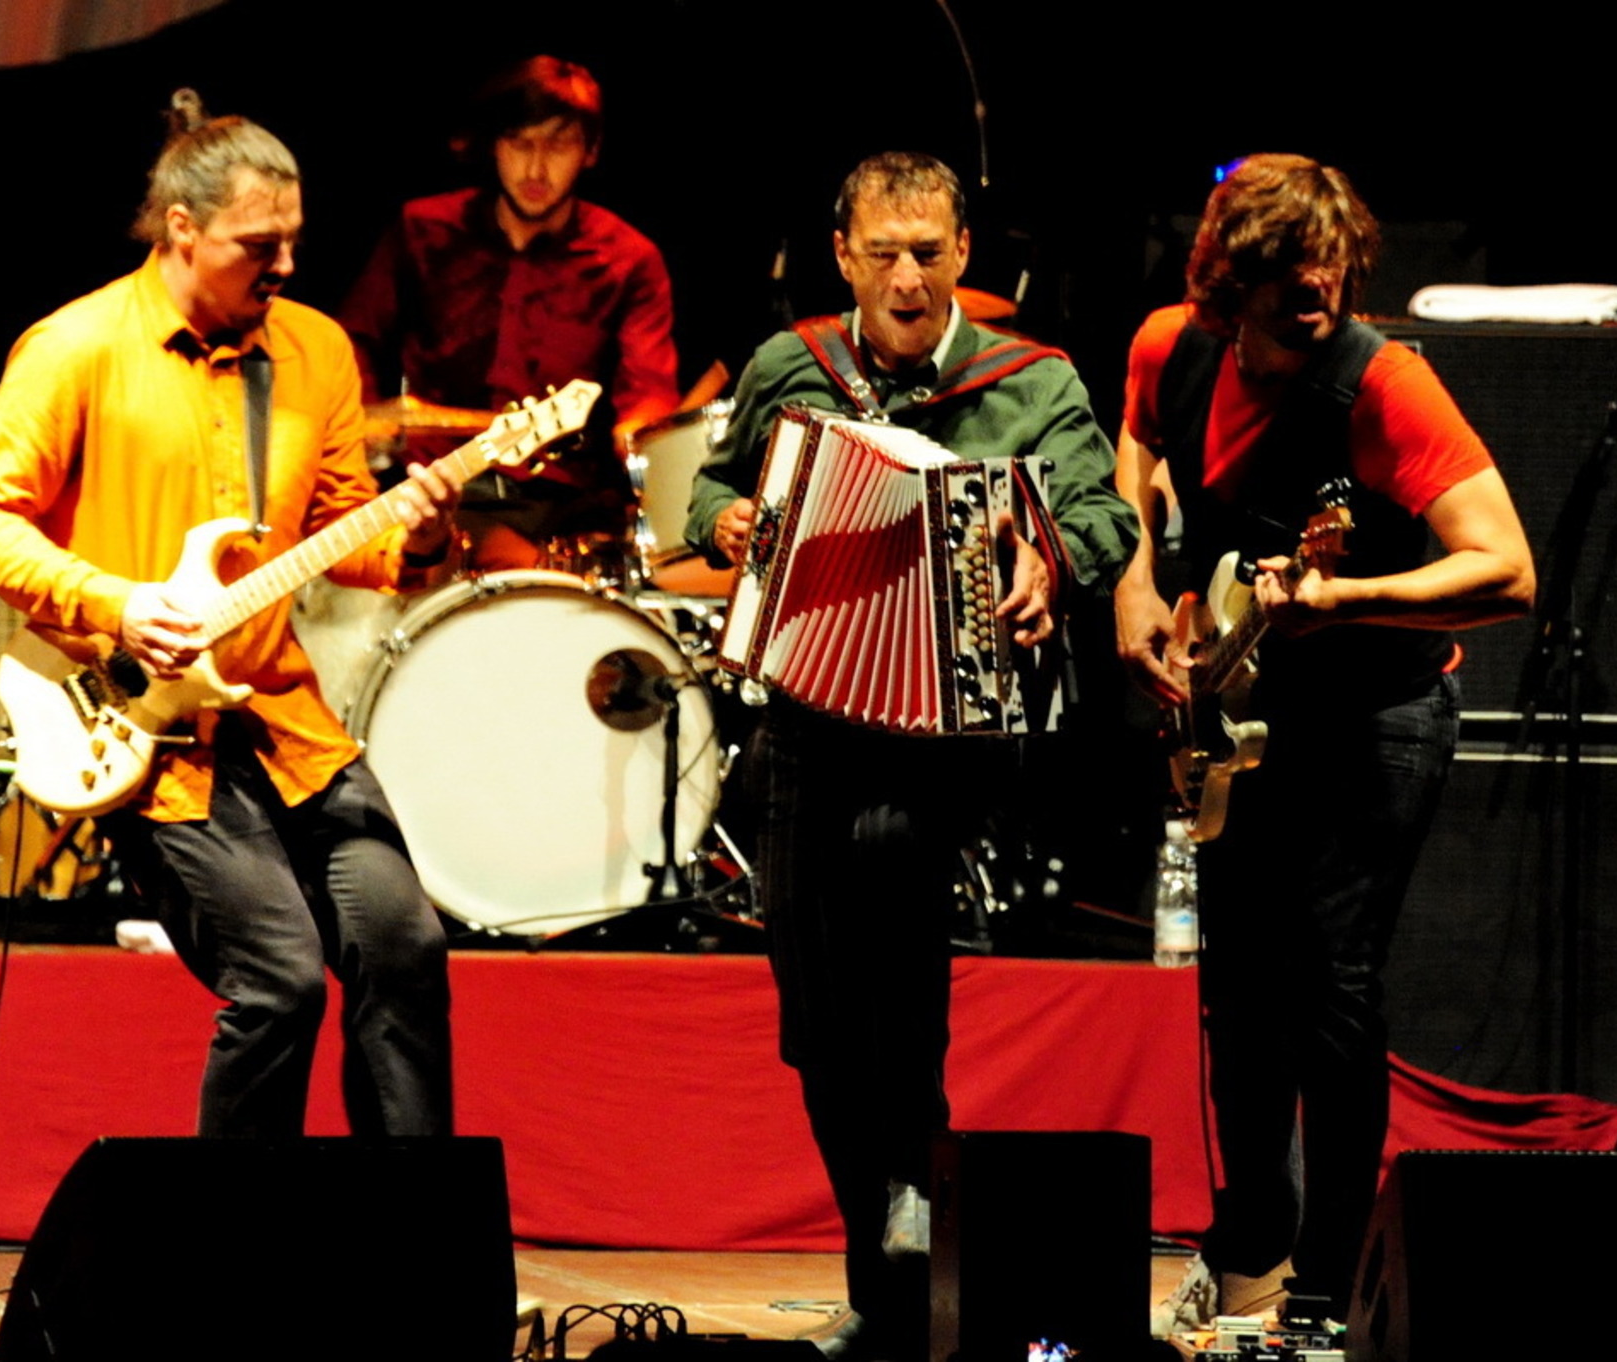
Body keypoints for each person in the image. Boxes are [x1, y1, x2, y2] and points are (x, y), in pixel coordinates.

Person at [686, 151, 1138, 1360]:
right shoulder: (791, 367)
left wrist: (1045, 555)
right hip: (810, 709)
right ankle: (885, 1256)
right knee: (810, 1011)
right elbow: (710, 489)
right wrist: (723, 520)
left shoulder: (1029, 381)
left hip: (955, 723)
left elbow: (1105, 517)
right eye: (881, 253)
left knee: (892, 889)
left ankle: (908, 1198)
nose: (905, 278)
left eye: (927, 254)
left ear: (962, 253)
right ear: (841, 256)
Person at [0, 91, 461, 1140]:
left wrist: (417, 537)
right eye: (257, 246)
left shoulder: (315, 350)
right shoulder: (78, 345)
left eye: (293, 242)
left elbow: (342, 533)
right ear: (182, 228)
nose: (284, 266)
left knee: (404, 946)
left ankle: (411, 1228)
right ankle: (230, 1235)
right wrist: (119, 603)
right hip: (149, 733)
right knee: (280, 985)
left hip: (282, 723)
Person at [1114, 153, 1535, 1335]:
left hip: (1375, 716)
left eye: (1328, 266)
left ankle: (1328, 1290)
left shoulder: (1382, 387)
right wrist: (1135, 581)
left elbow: (1504, 567)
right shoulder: (1169, 348)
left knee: (1330, 989)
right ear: (1224, 279)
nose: (1312, 288)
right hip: (1242, 709)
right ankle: (1247, 1256)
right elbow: (1133, 452)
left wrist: (1342, 601)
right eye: (1283, 271)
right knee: (1239, 996)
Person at [339, 54, 678, 568]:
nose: (536, 168)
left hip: (561, 512)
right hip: (431, 493)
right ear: (492, 144)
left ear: (590, 150)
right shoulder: (422, 229)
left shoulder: (630, 259)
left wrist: (641, 442)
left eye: (558, 144)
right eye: (519, 142)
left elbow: (647, 397)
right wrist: (366, 423)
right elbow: (352, 342)